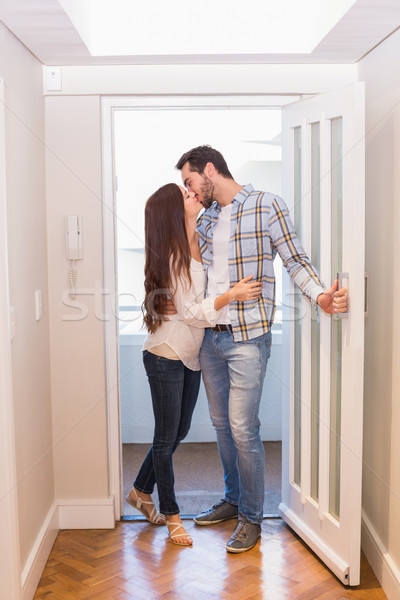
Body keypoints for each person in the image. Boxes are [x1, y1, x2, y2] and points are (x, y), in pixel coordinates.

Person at [175, 145, 348, 553]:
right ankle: (233, 500)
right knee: (221, 426)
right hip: (210, 337)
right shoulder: (205, 217)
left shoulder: (267, 205)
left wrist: (320, 296)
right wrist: (188, 218)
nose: (189, 190)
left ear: (210, 170)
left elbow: (295, 260)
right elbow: (192, 265)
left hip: (248, 336)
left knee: (242, 428)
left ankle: (252, 517)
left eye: (190, 182)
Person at [126, 182, 262, 547]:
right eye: (186, 195)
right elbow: (189, 311)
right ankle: (172, 516)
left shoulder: (197, 242)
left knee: (178, 431)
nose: (194, 195)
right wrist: (230, 296)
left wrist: (205, 304)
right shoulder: (173, 257)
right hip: (165, 354)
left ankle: (140, 491)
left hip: (189, 354)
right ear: (175, 210)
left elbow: (190, 305)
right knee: (166, 436)